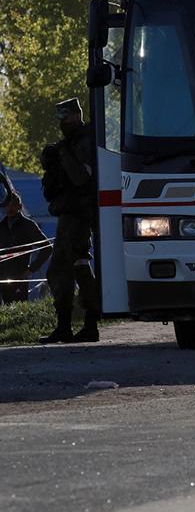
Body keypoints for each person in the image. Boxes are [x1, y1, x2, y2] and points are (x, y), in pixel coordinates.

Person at [39, 98, 101, 343]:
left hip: (78, 216)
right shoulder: (70, 144)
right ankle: (82, 324)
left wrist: (62, 153)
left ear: (76, 116)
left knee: (64, 270)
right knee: (76, 268)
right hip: (69, 215)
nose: (62, 123)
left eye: (65, 118)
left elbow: (80, 178)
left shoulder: (85, 143)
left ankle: (76, 325)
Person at [0, 185, 51, 305]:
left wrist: (30, 269)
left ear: (20, 207)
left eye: (13, 204)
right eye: (8, 205)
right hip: (2, 277)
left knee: (19, 306)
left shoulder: (28, 225)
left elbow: (47, 248)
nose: (10, 208)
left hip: (19, 276)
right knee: (5, 309)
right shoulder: (1, 227)